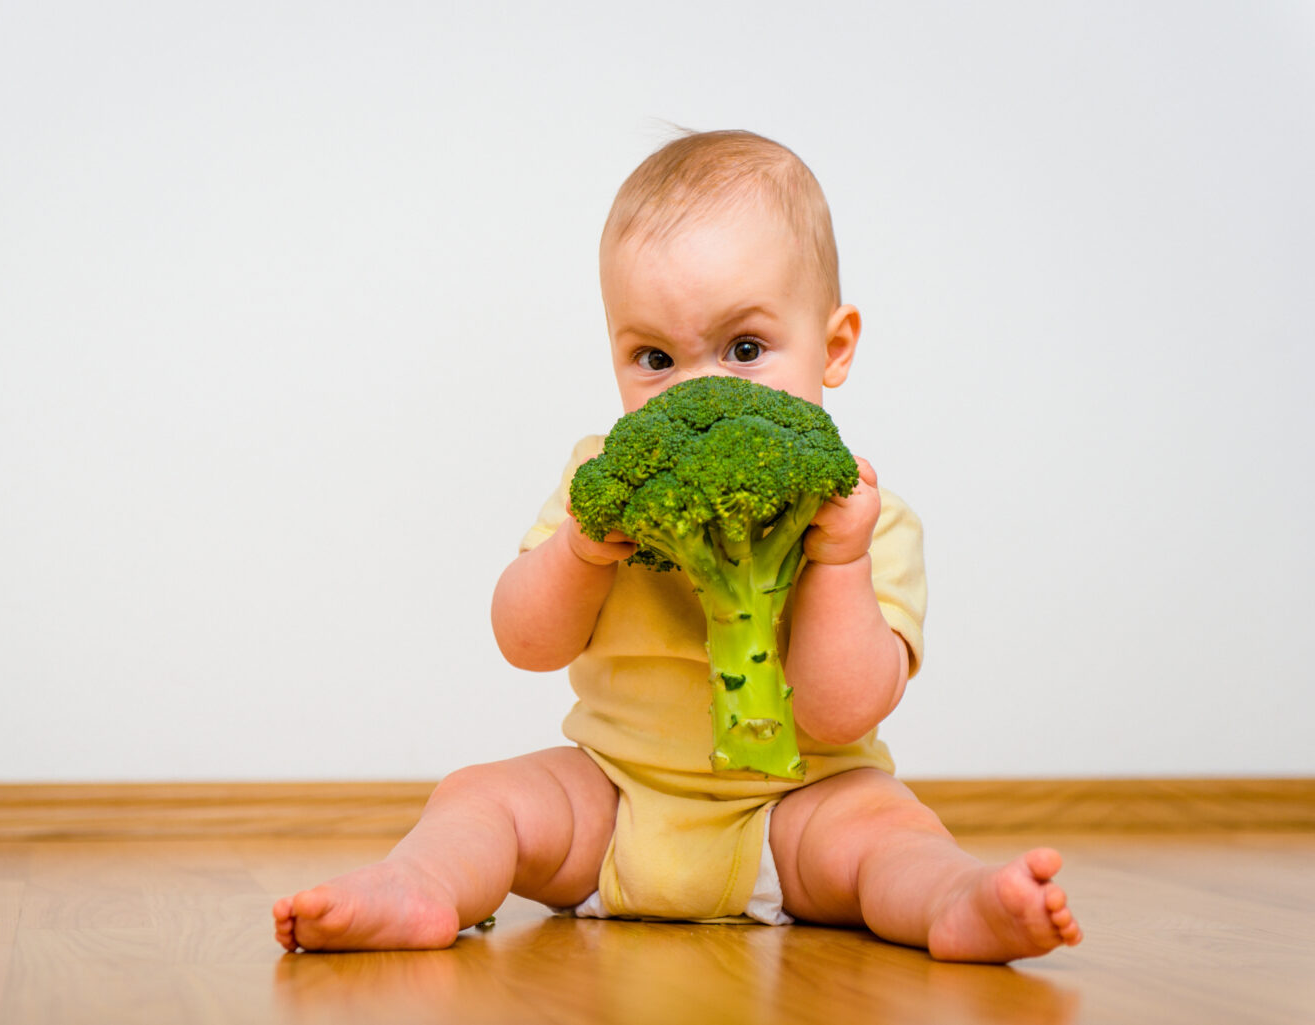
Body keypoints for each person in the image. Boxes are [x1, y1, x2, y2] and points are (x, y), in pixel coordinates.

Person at [273, 130, 1082, 963]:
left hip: (798, 809)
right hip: (615, 800)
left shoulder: (867, 517)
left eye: (743, 350)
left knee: (888, 830)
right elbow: (524, 641)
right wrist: (580, 553)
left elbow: (847, 711)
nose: (698, 392)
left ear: (834, 346)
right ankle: (421, 886)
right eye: (654, 357)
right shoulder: (602, 484)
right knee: (483, 796)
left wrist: (838, 563)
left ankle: (956, 900)